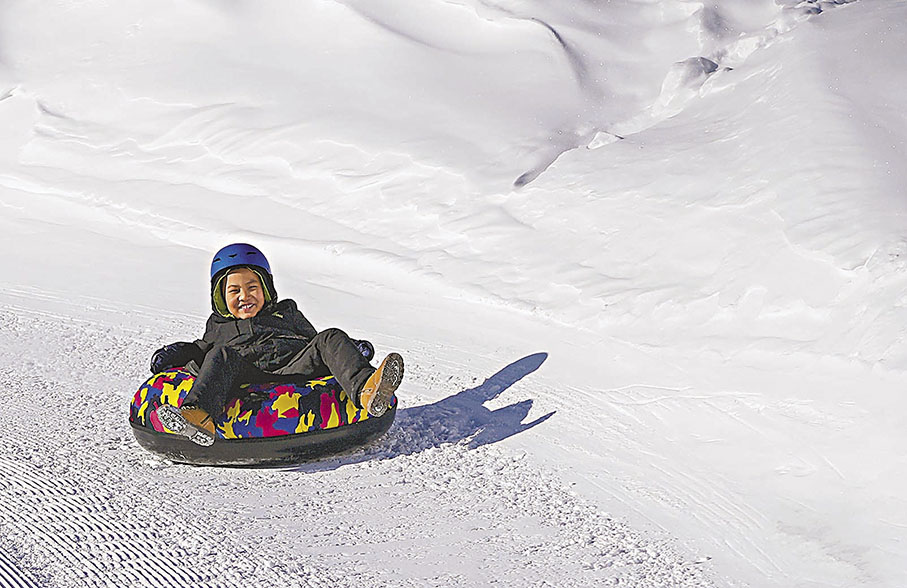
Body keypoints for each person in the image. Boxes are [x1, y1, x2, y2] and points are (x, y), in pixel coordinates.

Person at [149, 243, 404, 446]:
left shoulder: (286, 312)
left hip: (294, 368)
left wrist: (351, 348)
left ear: (267, 289)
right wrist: (176, 353)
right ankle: (198, 417)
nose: (244, 296)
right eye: (234, 291)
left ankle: (368, 391)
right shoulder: (218, 326)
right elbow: (201, 350)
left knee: (331, 335)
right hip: (247, 374)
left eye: (252, 287)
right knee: (220, 354)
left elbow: (317, 344)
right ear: (220, 297)